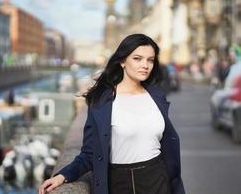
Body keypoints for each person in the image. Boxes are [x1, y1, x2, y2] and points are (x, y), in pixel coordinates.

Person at [39, 34, 185, 194]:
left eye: (150, 60)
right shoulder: (103, 101)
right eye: (137, 58)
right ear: (122, 61)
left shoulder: (156, 96)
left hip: (157, 180)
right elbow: (90, 153)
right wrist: (63, 176)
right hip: (118, 183)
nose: (145, 65)